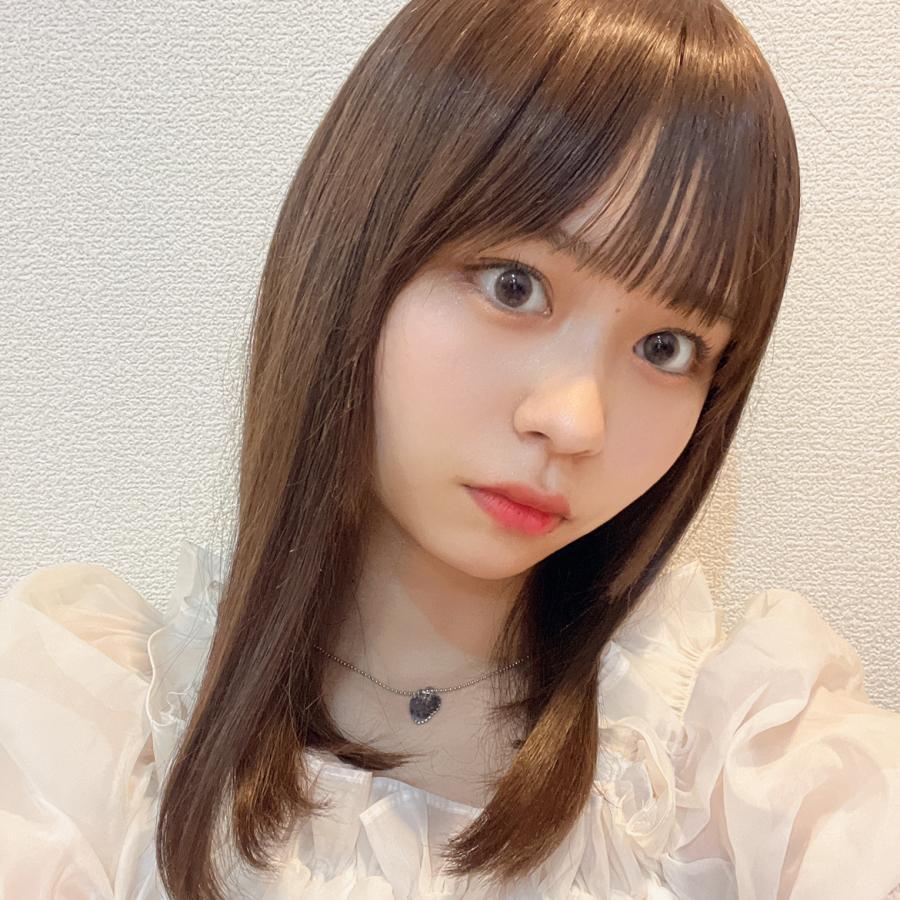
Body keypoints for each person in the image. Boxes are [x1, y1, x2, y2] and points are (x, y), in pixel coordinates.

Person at [1, 0, 899, 897]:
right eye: (515, 286)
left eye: (667, 348)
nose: (576, 421)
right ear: (354, 256)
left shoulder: (730, 768)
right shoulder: (83, 738)